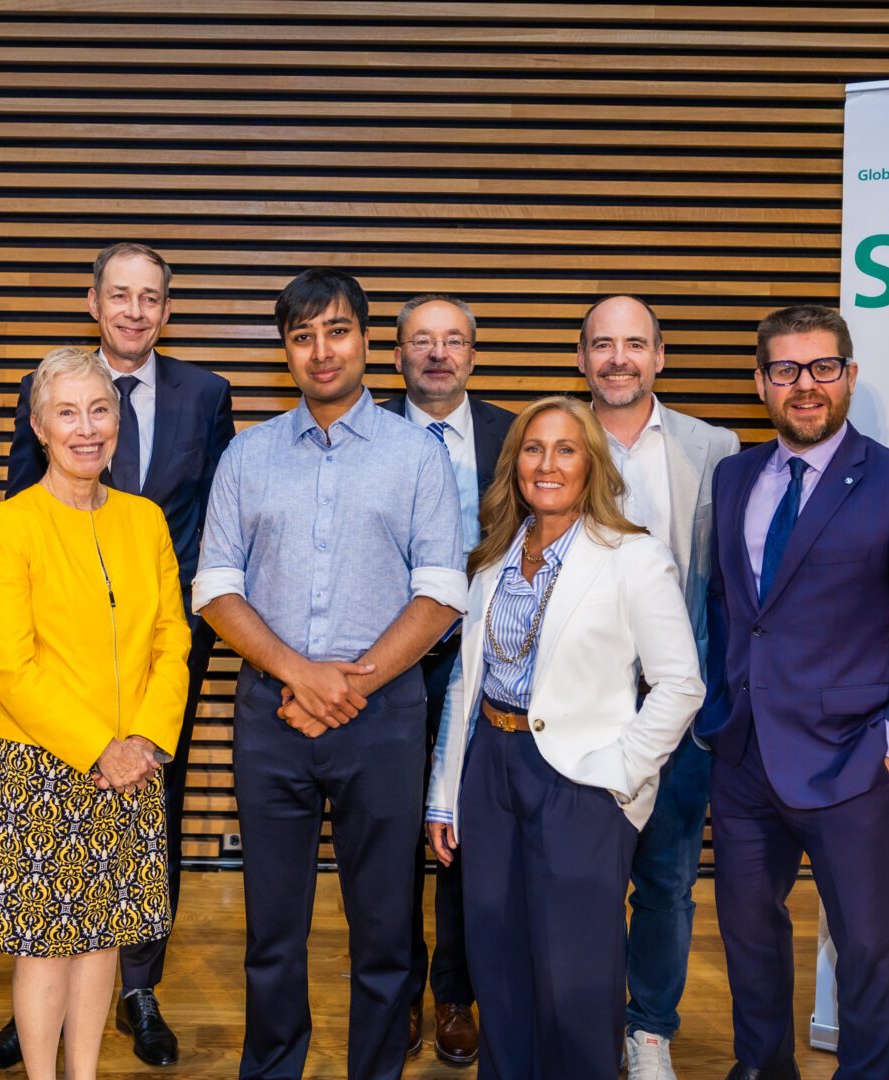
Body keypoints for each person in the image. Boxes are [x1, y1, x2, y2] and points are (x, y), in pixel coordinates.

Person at [696, 305, 889, 1080]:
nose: (806, 385)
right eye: (785, 370)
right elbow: (733, 610)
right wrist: (720, 716)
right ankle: (762, 1069)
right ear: (761, 383)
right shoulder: (732, 479)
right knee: (750, 940)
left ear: (849, 376)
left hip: (854, 765)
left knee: (865, 949)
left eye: (823, 367)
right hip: (747, 757)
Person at [195, 268, 465, 1080]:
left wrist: (348, 684)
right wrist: (300, 675)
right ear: (286, 350)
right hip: (271, 714)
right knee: (272, 930)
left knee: (384, 932)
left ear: (365, 342)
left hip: (380, 721)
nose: (321, 350)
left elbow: (442, 591)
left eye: (336, 330)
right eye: (302, 335)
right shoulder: (247, 455)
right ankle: (274, 1066)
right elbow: (214, 585)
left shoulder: (416, 455)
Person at [0, 242, 233, 1070]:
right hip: (54, 761)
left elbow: (174, 638)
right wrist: (100, 747)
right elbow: (13, 667)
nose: (87, 428)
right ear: (39, 424)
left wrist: (150, 740)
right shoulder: (8, 526)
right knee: (46, 945)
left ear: (116, 423)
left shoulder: (144, 522)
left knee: (103, 941)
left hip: (138, 759)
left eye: (100, 413)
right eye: (69, 413)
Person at [423, 395, 702, 1080]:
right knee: (499, 958)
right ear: (514, 463)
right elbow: (466, 682)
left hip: (581, 782)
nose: (547, 463)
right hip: (490, 767)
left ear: (592, 465)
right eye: (532, 448)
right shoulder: (492, 559)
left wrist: (618, 773)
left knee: (576, 975)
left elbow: (680, 684)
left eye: (565, 449)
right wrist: (443, 795)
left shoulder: (633, 558)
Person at [576, 295, 739, 1079]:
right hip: (581, 712)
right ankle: (588, 1020)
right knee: (583, 882)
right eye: (603, 345)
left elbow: (725, 582)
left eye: (633, 345)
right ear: (582, 360)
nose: (618, 359)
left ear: (659, 356)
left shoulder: (715, 447)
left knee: (667, 886)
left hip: (679, 709)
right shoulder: (556, 441)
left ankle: (649, 1032)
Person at [379, 292, 512, 1066]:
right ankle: (395, 993)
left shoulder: (512, 435)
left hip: (484, 670)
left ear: (472, 353)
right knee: (389, 839)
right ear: (396, 355)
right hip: (387, 670)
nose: (438, 354)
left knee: (469, 839)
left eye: (453, 340)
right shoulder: (363, 432)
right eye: (421, 341)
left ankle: (456, 995)